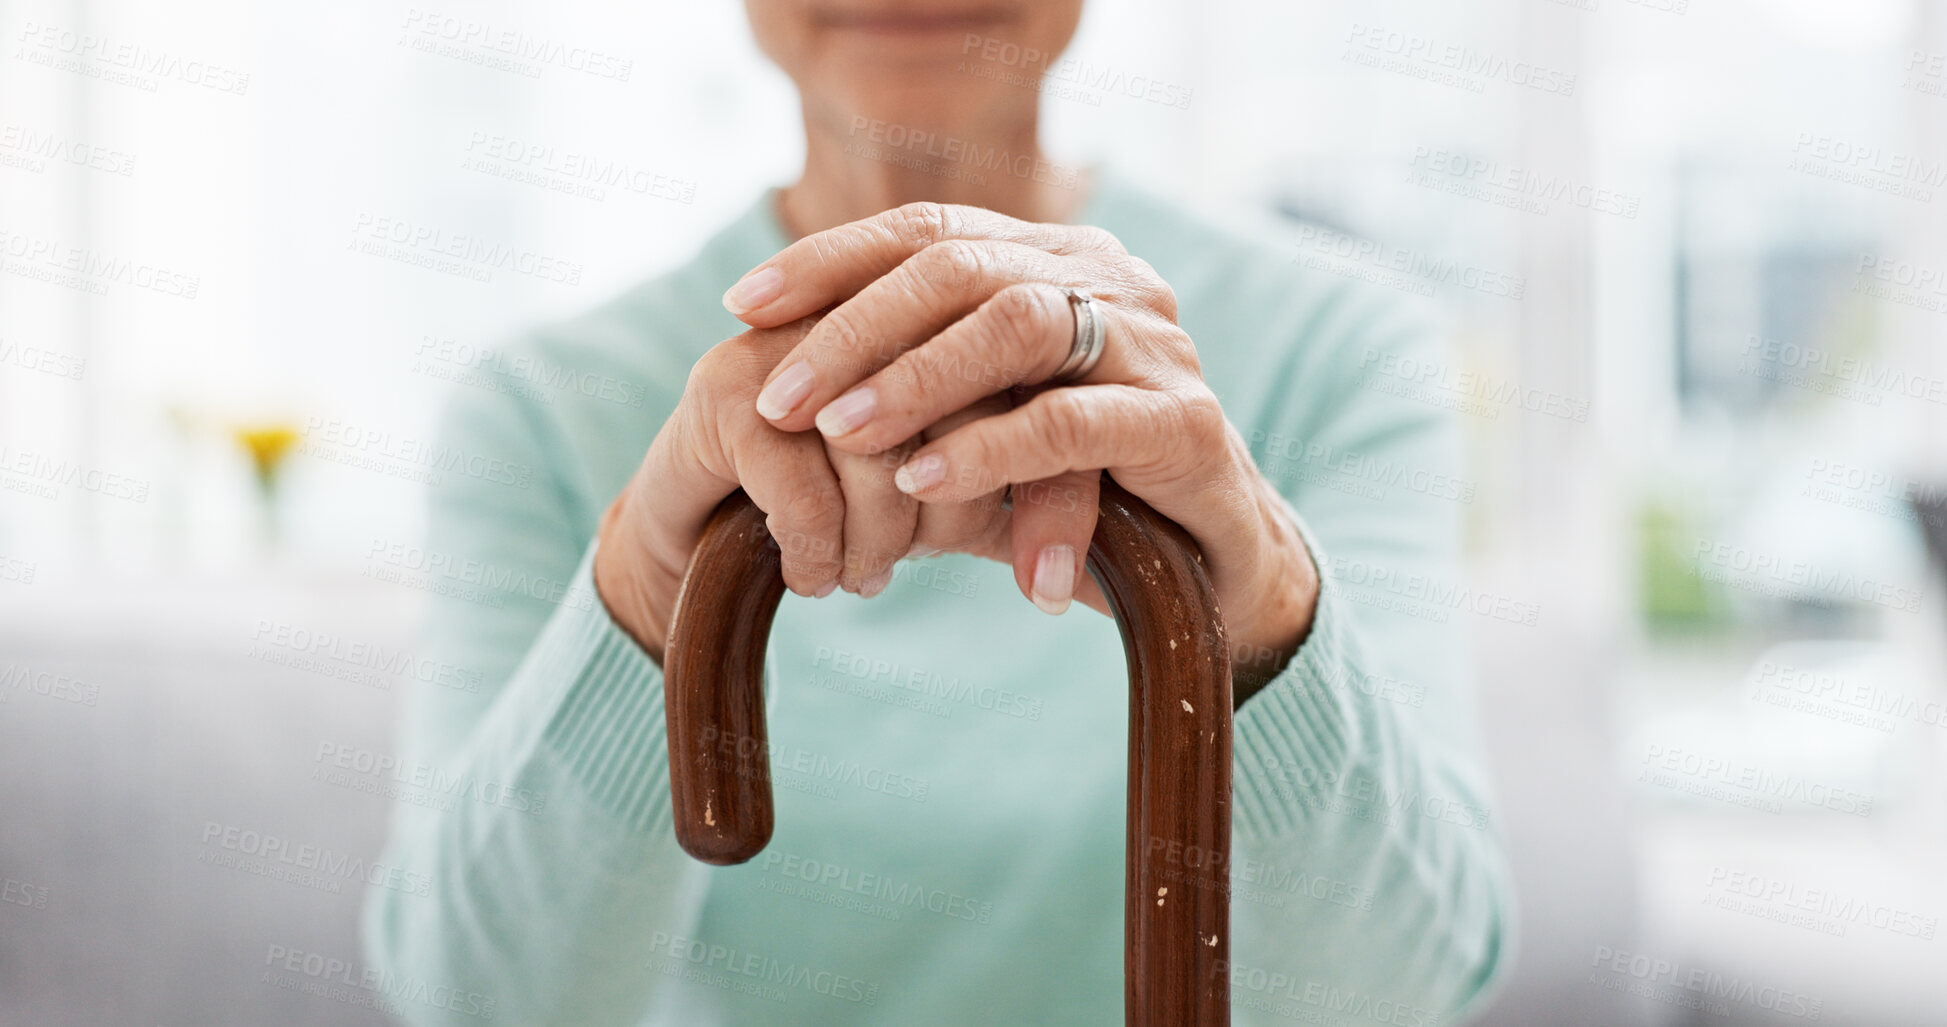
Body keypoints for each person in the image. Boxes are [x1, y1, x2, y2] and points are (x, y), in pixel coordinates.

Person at [363, 1, 1514, 1023]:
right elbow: (471, 998)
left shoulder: (1341, 354)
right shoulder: (541, 410)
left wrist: (1263, 602)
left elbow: (1402, 992)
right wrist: (639, 594)